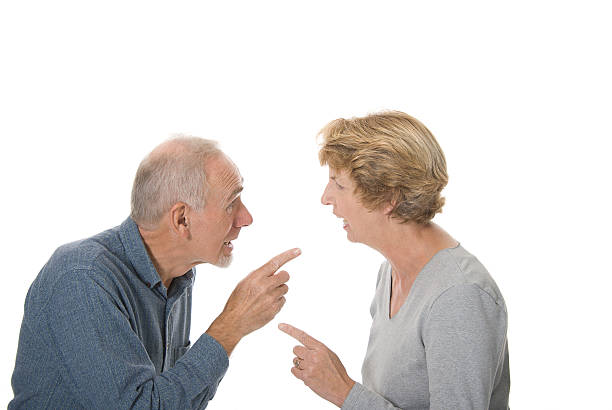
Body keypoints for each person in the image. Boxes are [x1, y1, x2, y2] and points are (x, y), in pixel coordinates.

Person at [9, 136, 300, 409]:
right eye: (231, 204)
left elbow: (176, 398)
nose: (246, 218)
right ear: (181, 219)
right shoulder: (83, 278)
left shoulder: (178, 275)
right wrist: (231, 325)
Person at [279, 111, 510, 409]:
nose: (326, 197)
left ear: (389, 198)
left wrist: (344, 392)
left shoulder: (458, 296)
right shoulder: (390, 273)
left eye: (339, 185)